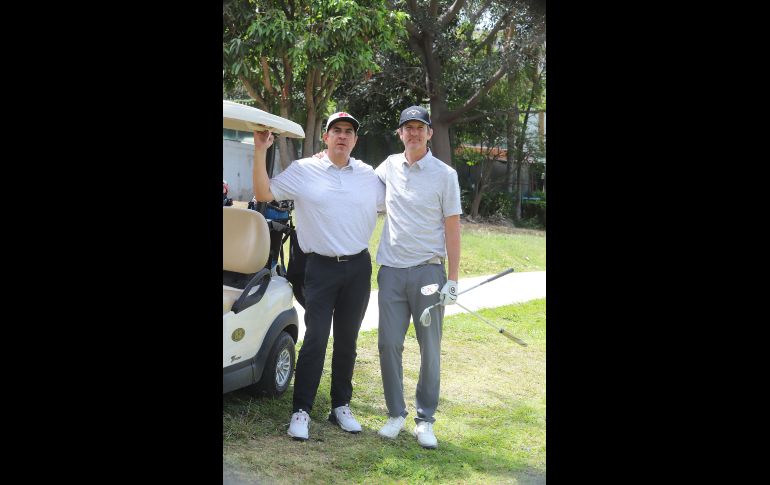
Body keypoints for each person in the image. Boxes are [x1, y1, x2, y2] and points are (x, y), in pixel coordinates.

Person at [251, 112, 385, 441]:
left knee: (347, 340)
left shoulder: (369, 175)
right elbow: (264, 193)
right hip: (320, 267)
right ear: (325, 138)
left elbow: (399, 200)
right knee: (315, 339)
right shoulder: (304, 170)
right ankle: (302, 411)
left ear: (355, 140)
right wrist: (259, 151)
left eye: (348, 132)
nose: (342, 136)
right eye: (336, 131)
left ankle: (341, 406)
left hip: (357, 267)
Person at [374, 106, 462, 449]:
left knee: (430, 348)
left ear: (429, 133)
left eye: (419, 128)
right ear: (400, 134)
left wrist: (452, 277)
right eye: (407, 128)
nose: (413, 133)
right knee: (388, 344)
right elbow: (355, 177)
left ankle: (425, 420)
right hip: (392, 271)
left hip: (429, 269)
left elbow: (452, 228)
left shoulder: (445, 175)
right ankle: (396, 413)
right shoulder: (388, 167)